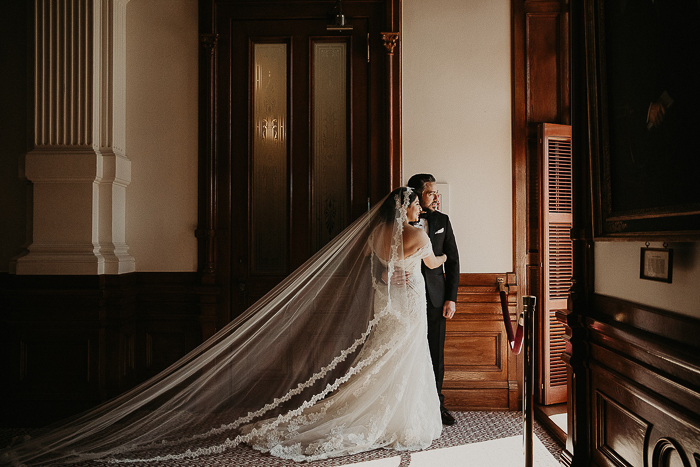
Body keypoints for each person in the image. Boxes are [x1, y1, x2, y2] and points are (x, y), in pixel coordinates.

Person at [1, 188, 446, 466]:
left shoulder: (374, 236)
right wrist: (439, 254)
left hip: (386, 298)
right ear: (408, 209)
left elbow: (379, 269)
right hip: (408, 300)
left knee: (382, 357)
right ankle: (401, 419)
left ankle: (379, 413)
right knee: (407, 356)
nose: (415, 210)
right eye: (414, 205)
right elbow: (428, 263)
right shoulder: (422, 235)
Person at [407, 174, 460, 426]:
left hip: (437, 299)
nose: (436, 197)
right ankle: (408, 406)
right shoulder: (400, 222)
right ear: (416, 194)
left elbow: (454, 260)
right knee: (408, 352)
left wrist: (451, 298)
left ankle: (436, 405)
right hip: (406, 298)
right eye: (430, 193)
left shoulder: (443, 221)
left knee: (435, 354)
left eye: (437, 193)